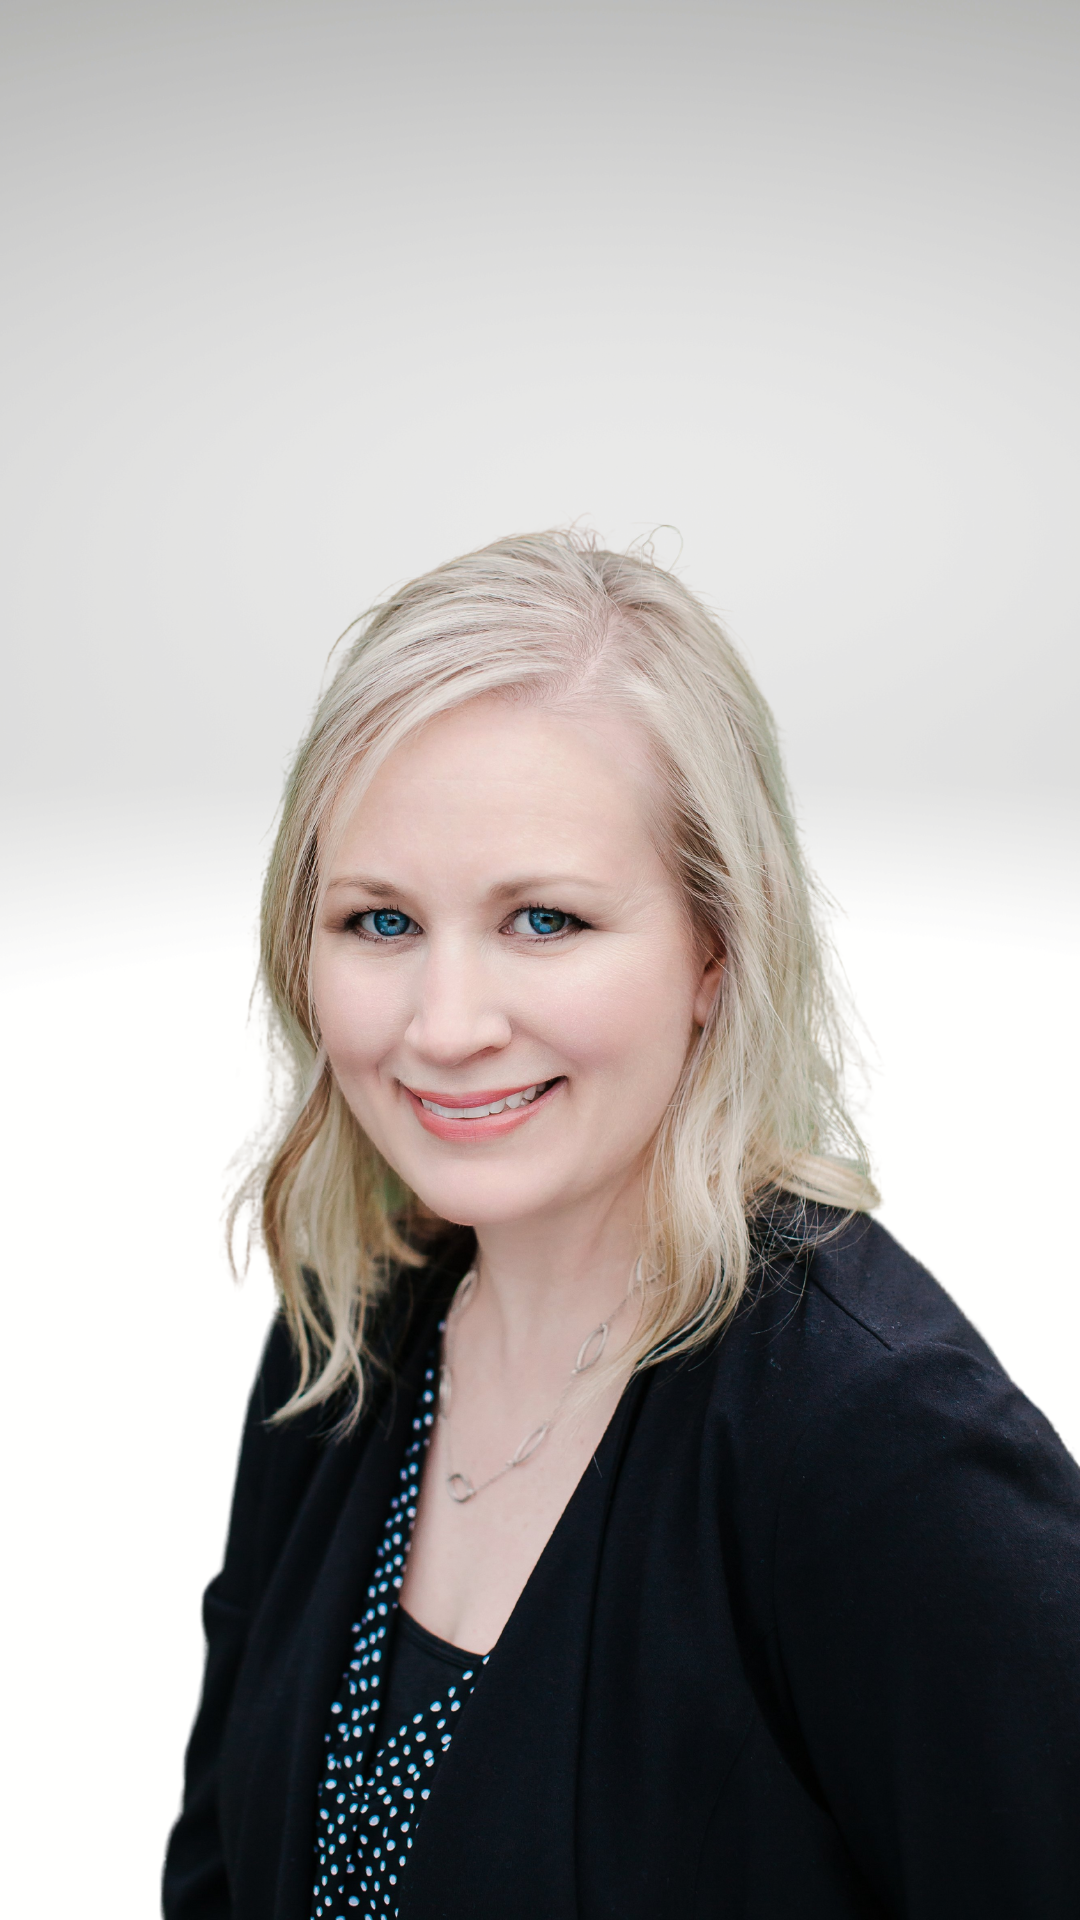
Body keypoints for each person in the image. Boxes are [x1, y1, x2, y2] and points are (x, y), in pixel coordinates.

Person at [163, 531, 1080, 1920]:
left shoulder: (881, 1453)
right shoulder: (339, 1344)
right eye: (380, 921)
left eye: (544, 919)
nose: (448, 1025)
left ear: (718, 949)